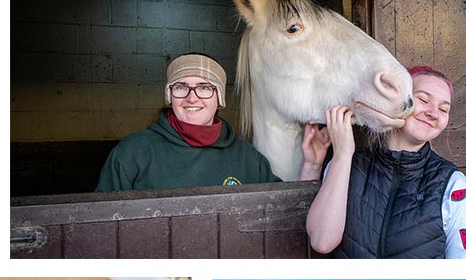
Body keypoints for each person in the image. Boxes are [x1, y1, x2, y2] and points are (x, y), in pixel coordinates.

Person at [306, 66, 466, 259]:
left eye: (443, 109)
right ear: (395, 101)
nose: (433, 113)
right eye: (423, 99)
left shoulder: (451, 183)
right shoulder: (348, 165)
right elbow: (322, 242)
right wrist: (341, 153)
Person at [96, 54, 328, 192]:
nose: (192, 97)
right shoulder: (132, 152)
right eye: (181, 87)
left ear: (220, 99)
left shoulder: (247, 158)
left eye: (205, 87)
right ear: (170, 96)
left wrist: (313, 165)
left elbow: (284, 213)